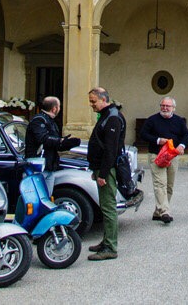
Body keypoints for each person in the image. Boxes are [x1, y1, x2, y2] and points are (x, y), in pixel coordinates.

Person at [86, 87, 126, 260]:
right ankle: (106, 241)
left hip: (107, 168)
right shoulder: (107, 115)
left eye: (94, 101)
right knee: (104, 205)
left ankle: (110, 247)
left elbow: (111, 149)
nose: (91, 105)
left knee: (108, 206)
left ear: (104, 99)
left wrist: (102, 173)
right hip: (102, 167)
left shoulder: (113, 118)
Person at [138, 96, 188, 224]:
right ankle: (165, 212)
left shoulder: (179, 121)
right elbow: (143, 134)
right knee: (160, 184)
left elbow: (186, 135)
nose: (165, 108)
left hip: (172, 156)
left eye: (168, 106)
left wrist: (182, 146)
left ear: (173, 108)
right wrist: (157, 140)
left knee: (169, 185)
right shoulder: (152, 120)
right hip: (156, 155)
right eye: (163, 105)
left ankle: (158, 211)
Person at [25, 96, 80, 171]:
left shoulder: (50, 120)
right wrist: (60, 141)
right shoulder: (39, 120)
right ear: (54, 109)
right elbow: (43, 139)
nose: (60, 109)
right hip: (39, 166)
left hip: (50, 165)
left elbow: (53, 143)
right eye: (59, 107)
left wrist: (66, 143)